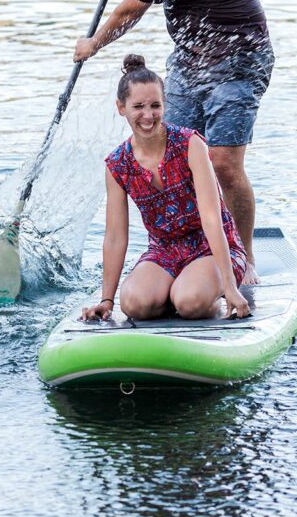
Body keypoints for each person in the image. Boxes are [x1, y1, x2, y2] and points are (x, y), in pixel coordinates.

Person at [74, 0, 274, 285]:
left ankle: (243, 259)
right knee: (171, 158)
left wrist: (93, 43)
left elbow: (130, 11)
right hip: (190, 58)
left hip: (240, 56)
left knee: (223, 164)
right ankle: (184, 253)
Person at [81, 55, 249, 323]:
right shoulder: (117, 164)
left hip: (212, 246)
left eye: (155, 106)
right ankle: (174, 292)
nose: (148, 115)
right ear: (121, 107)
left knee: (190, 302)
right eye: (138, 106)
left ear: (164, 105)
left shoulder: (190, 145)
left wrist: (229, 287)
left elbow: (211, 218)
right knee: (134, 304)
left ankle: (203, 296)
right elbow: (114, 237)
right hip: (165, 251)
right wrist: (106, 300)